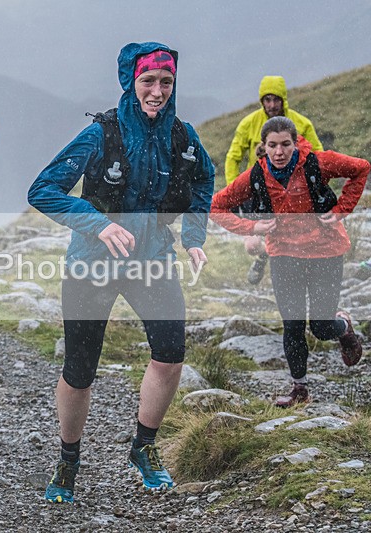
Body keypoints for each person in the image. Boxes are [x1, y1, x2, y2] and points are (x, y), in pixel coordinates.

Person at [28, 42, 214, 501]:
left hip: (152, 262)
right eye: (148, 81)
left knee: (171, 355)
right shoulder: (100, 135)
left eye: (166, 82)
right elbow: (42, 189)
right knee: (80, 370)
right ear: (130, 82)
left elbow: (205, 181)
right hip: (91, 264)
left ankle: (143, 446)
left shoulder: (182, 137)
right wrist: (97, 223)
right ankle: (68, 460)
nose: (157, 91)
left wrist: (192, 237)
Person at [212, 116, 368, 407]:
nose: (279, 151)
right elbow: (216, 206)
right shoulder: (256, 176)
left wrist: (342, 210)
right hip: (283, 254)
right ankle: (300, 390)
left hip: (326, 251)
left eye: (285, 144)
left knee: (321, 327)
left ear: (295, 143)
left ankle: (343, 327)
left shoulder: (318, 163)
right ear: (264, 147)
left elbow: (360, 169)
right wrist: (251, 228)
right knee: (293, 324)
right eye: (272, 145)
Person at [225, 76, 323, 285]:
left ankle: (291, 279)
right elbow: (233, 158)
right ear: (261, 101)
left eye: (275, 100)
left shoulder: (302, 124)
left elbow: (319, 157)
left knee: (294, 242)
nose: (271, 105)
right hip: (257, 191)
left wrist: (315, 187)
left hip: (293, 192)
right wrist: (234, 190)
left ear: (283, 99)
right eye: (267, 100)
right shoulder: (248, 124)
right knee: (252, 245)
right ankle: (263, 256)